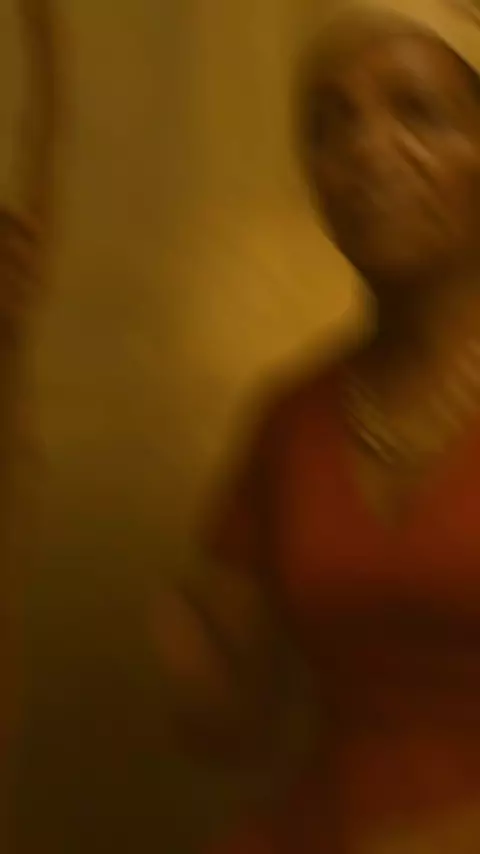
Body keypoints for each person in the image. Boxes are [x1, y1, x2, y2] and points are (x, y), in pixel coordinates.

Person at [152, 0, 480, 850]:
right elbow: (235, 729)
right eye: (332, 125)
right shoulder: (289, 422)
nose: (366, 150)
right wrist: (195, 668)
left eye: (417, 112)